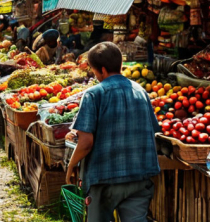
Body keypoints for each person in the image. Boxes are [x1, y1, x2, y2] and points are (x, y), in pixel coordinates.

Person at [65, 42, 160, 222]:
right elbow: (153, 130)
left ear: (102, 70)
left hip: (104, 178)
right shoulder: (141, 92)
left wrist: (71, 166)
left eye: (94, 71)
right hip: (139, 176)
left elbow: (86, 143)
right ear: (120, 65)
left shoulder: (94, 94)